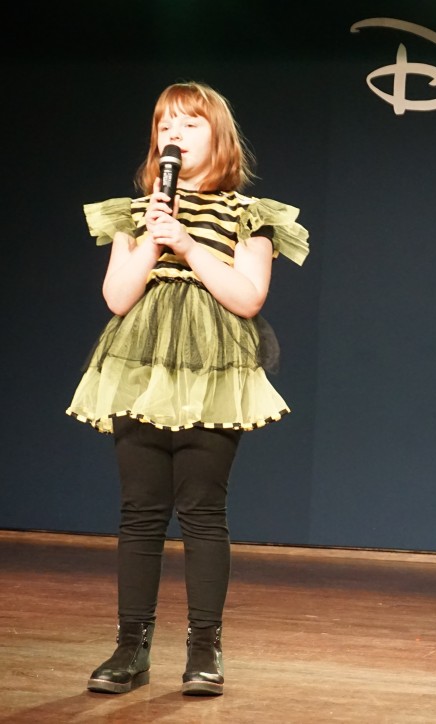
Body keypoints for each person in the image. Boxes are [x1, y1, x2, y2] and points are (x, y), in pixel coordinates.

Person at [66, 81, 309, 696]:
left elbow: (247, 297)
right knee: (140, 512)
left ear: (218, 137)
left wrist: (187, 243)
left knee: (202, 511)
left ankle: (205, 649)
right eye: (165, 124)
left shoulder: (250, 214)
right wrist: (154, 235)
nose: (173, 134)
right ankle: (130, 647)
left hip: (211, 371)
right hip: (140, 368)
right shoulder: (134, 213)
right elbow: (117, 297)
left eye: (189, 124)